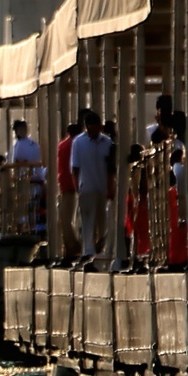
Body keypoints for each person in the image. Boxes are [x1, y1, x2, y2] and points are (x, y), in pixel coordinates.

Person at [71, 110, 115, 270]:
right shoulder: (78, 142)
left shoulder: (107, 142)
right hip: (86, 187)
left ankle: (101, 249)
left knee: (103, 220)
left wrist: (111, 187)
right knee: (87, 221)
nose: (93, 131)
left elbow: (111, 169)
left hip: (102, 187)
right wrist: (77, 187)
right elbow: (75, 167)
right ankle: (87, 250)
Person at [56, 122, 83, 263]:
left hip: (66, 185)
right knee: (72, 220)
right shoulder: (78, 144)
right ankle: (75, 248)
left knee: (66, 220)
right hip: (76, 185)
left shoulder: (63, 145)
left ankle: (71, 249)